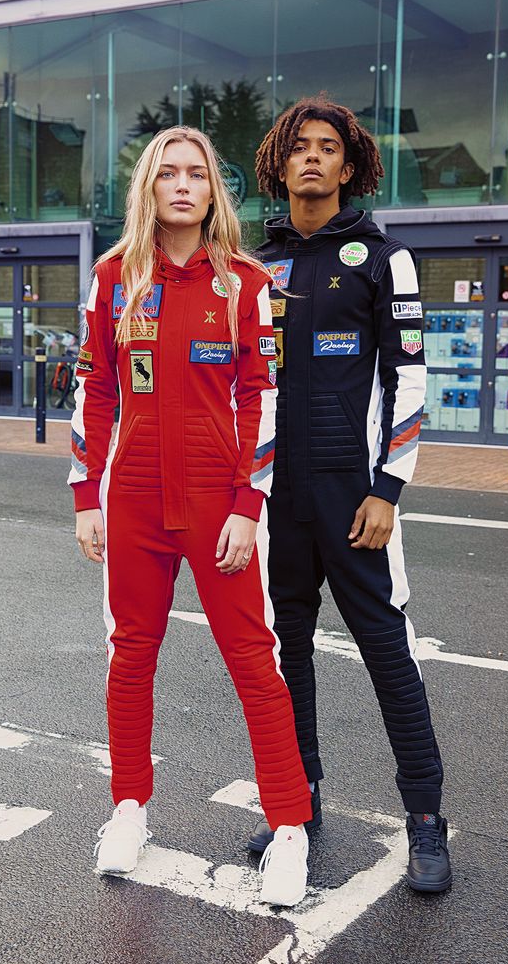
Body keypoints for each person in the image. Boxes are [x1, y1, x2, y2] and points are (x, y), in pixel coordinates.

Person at [68, 126, 311, 906]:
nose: (181, 185)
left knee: (253, 658)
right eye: (166, 172)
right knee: (130, 656)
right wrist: (84, 495)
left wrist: (249, 505)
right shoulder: (113, 279)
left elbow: (262, 399)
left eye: (196, 174)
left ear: (214, 191)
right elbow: (95, 393)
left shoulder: (245, 282)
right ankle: (129, 809)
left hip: (219, 501)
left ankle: (290, 829)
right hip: (131, 495)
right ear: (148, 187)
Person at [248, 96, 452, 892]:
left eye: (327, 147)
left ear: (349, 163)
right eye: (298, 146)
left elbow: (411, 379)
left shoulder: (383, 258)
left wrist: (388, 489)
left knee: (387, 654)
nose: (311, 158)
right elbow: (242, 384)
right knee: (283, 654)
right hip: (278, 501)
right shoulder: (253, 266)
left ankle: (428, 824)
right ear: (279, 161)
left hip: (356, 497)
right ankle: (297, 809)